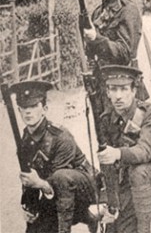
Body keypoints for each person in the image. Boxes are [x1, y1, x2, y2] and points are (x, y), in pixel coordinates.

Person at [9, 81, 98, 233]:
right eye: (24, 108)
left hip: (83, 189)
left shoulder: (60, 136)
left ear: (44, 109)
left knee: (60, 179)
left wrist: (40, 184)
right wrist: (29, 207)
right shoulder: (25, 138)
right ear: (18, 110)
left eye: (33, 106)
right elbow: (30, 177)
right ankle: (87, 217)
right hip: (51, 190)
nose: (28, 112)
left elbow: (60, 182)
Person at [96, 65, 151, 233]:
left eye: (123, 89)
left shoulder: (149, 112)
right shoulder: (106, 120)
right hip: (129, 185)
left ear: (134, 90)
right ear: (107, 92)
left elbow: (144, 151)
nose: (118, 96)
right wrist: (111, 203)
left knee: (139, 172)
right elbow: (109, 169)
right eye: (113, 89)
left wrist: (117, 153)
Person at [84, 0, 148, 100]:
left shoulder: (128, 10)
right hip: (102, 85)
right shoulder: (97, 12)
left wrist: (96, 38)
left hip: (124, 85)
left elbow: (126, 53)